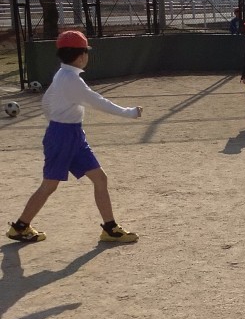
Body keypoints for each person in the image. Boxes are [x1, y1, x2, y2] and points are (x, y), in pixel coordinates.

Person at [6, 30, 143, 244]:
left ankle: (110, 228)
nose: (87, 56)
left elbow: (47, 101)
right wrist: (129, 112)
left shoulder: (62, 75)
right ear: (80, 56)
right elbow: (97, 101)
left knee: (100, 178)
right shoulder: (71, 79)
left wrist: (55, 122)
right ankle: (20, 227)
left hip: (71, 135)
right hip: (63, 136)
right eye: (86, 52)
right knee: (49, 185)